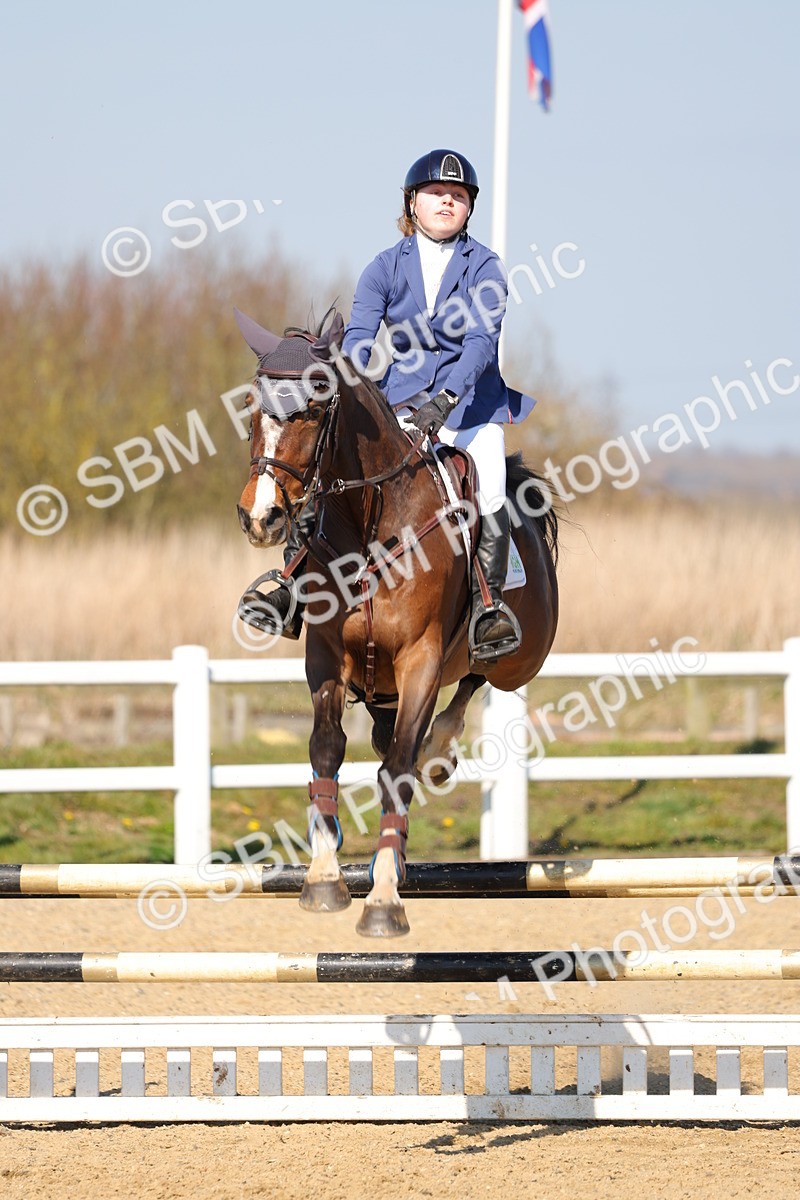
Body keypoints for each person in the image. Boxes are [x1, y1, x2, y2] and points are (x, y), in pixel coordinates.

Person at [239, 148, 535, 660]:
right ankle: (288, 589)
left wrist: (447, 398)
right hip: (399, 403)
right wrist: (349, 387)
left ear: (469, 207)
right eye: (436, 193)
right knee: (330, 468)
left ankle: (488, 609)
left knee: (489, 487)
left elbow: (481, 343)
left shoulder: (486, 267)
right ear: (412, 203)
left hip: (470, 408)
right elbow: (359, 339)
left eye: (458, 195)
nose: (447, 201)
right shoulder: (384, 267)